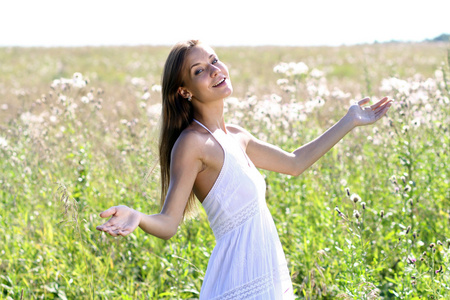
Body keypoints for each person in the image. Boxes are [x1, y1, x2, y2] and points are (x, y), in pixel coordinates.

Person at [96, 40, 392, 299]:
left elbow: (294, 163)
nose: (214, 70)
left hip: (266, 275)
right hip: (237, 282)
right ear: (185, 91)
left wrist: (350, 120)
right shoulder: (191, 144)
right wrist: (138, 217)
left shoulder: (236, 135)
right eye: (199, 70)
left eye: (214, 61)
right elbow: (168, 223)